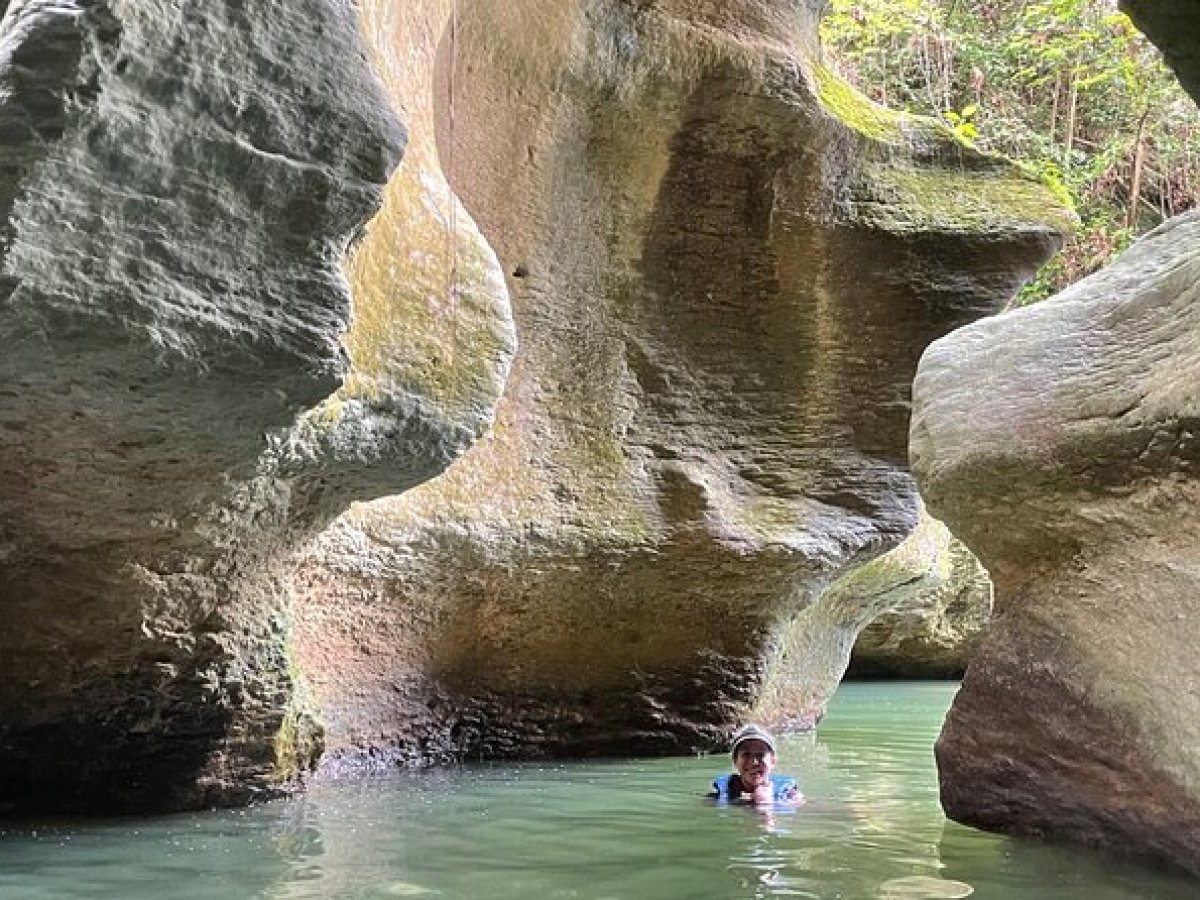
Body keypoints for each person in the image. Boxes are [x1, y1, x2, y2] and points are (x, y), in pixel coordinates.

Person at [709, 723, 802, 805]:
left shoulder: (790, 795)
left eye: (760, 755)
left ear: (773, 761)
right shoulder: (720, 794)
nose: (754, 762)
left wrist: (766, 805)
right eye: (746, 754)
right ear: (735, 760)